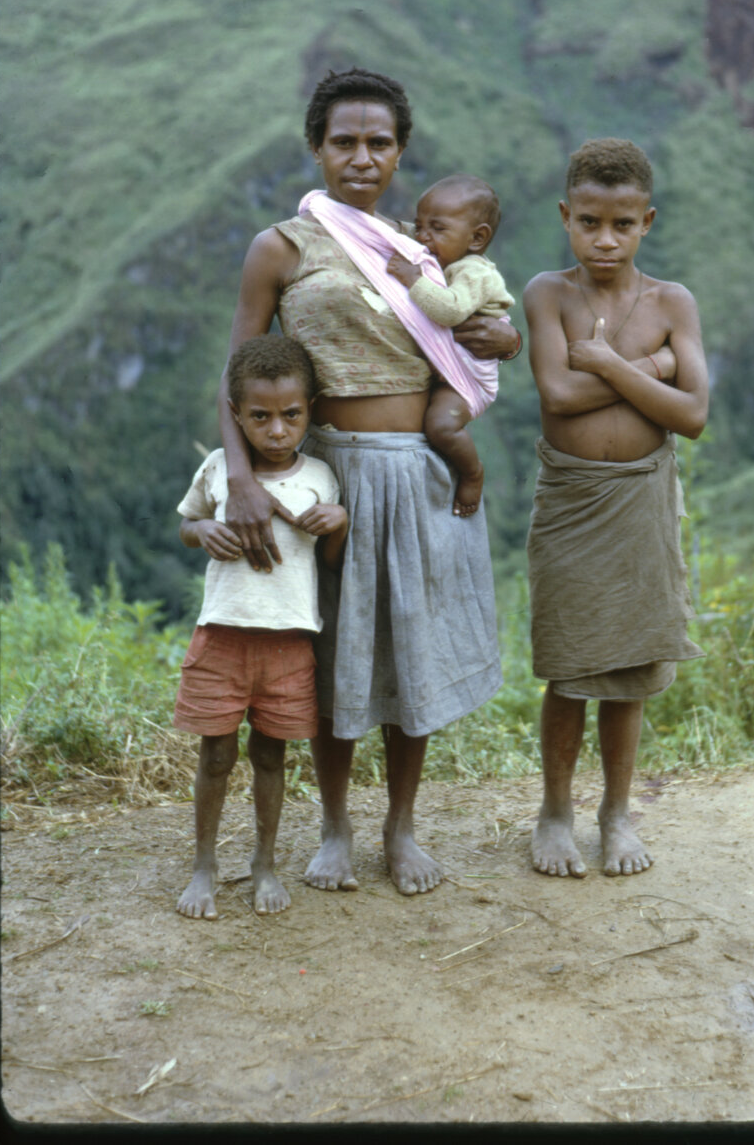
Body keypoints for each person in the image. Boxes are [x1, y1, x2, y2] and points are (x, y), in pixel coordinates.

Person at [219, 67, 518, 896]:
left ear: (399, 152)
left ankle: (402, 827)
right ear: (317, 147)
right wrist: (243, 480)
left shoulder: (418, 250)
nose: (361, 156)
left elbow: (471, 326)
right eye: (344, 140)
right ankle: (337, 826)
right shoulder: (283, 247)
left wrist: (499, 337)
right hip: (326, 479)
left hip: (418, 476)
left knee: (409, 651)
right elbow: (235, 375)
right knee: (336, 653)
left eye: (378, 142)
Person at [522, 137, 709, 879]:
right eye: (590, 221)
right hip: (570, 502)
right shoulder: (547, 293)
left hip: (641, 502)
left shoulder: (672, 301)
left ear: (647, 222)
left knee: (629, 667)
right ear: (566, 216)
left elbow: (693, 414)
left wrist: (601, 360)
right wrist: (647, 367)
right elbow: (559, 395)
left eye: (622, 224)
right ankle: (556, 811)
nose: (605, 239)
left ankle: (616, 814)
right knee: (570, 668)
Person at [174, 333, 348, 919]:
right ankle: (203, 868)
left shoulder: (322, 477)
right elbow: (187, 524)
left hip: (289, 644)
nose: (277, 430)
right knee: (215, 756)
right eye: (260, 417)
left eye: (290, 415)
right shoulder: (220, 467)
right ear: (237, 416)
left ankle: (265, 864)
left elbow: (326, 563)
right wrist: (204, 533)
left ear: (310, 410)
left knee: (271, 758)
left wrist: (340, 521)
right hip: (222, 635)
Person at [385, 174, 513, 516]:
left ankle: (472, 473)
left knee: (441, 427)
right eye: (419, 225)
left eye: (437, 229)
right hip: (453, 366)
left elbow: (450, 310)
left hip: (471, 374)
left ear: (477, 238)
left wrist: (412, 279)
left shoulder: (475, 272)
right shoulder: (447, 263)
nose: (423, 237)